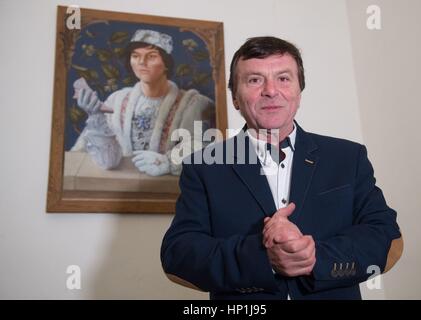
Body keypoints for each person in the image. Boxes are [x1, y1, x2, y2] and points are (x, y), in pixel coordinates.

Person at [160, 36, 403, 299]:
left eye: (284, 78)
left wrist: (313, 257)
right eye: (254, 80)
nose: (271, 90)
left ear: (299, 91)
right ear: (235, 98)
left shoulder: (348, 157)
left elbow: (387, 238)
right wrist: (264, 258)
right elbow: (179, 254)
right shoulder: (203, 166)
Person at [71, 29, 215, 176]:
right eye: (135, 56)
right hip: (121, 185)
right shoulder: (116, 100)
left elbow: (203, 149)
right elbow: (97, 158)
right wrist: (96, 117)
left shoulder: (193, 104)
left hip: (169, 188)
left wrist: (167, 162)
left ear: (166, 63)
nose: (141, 62)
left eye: (151, 56)